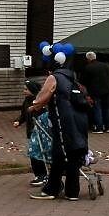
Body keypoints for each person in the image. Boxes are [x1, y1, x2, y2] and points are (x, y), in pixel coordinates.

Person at [28, 62, 90, 200]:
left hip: (64, 120)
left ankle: (51, 190)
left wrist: (33, 106)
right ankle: (72, 192)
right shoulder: (72, 77)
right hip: (80, 119)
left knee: (59, 153)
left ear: (50, 71)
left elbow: (44, 95)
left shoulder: (54, 77)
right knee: (73, 152)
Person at [14, 79, 50, 185]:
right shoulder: (26, 101)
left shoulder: (39, 101)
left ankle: (43, 175)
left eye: (26, 89)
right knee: (34, 153)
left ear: (32, 90)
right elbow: (24, 114)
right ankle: (39, 175)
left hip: (40, 132)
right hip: (32, 132)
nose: (24, 91)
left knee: (37, 153)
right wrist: (19, 121)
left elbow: (45, 114)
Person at [81, 51, 109, 133]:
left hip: (95, 90)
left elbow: (84, 80)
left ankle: (99, 127)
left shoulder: (88, 67)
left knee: (97, 108)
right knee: (107, 108)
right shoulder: (104, 65)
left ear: (88, 59)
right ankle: (108, 127)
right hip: (106, 89)